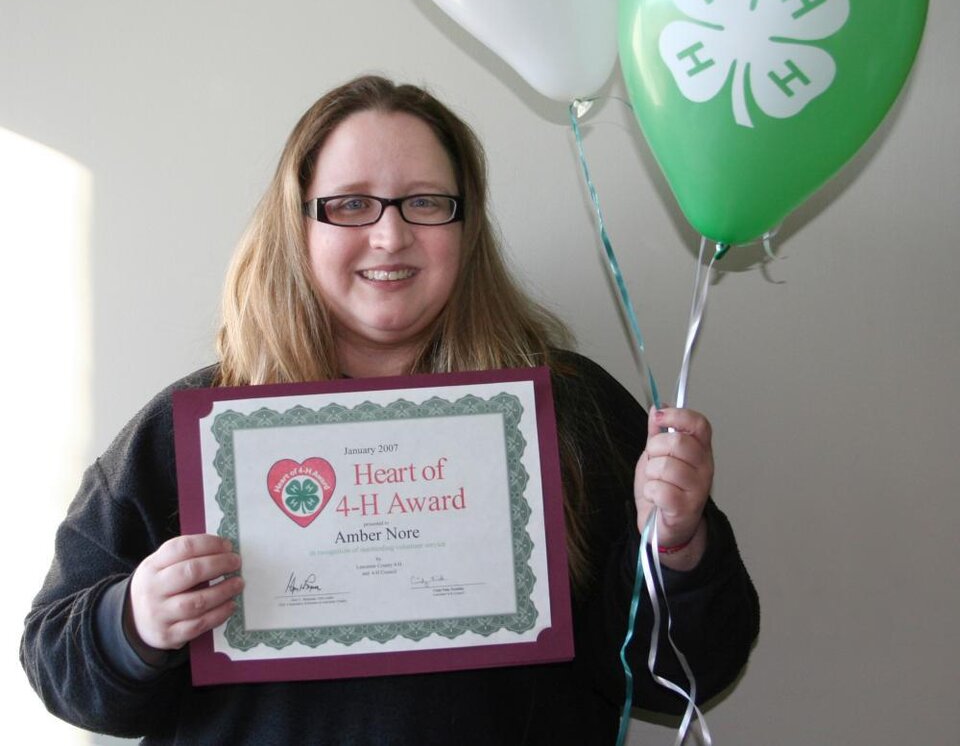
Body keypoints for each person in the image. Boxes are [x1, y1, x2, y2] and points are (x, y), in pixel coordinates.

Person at [21, 75, 759, 745]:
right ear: (299, 224)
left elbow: (682, 673)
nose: (390, 234)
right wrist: (135, 623)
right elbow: (58, 665)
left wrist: (679, 549)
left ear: (466, 228)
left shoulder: (570, 412)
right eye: (349, 204)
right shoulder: (196, 432)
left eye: (426, 203)